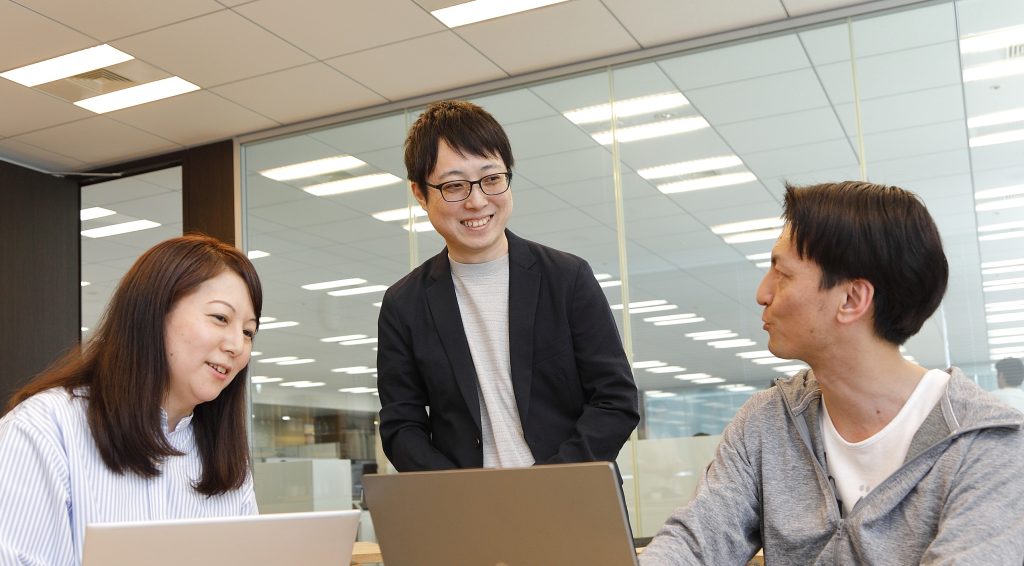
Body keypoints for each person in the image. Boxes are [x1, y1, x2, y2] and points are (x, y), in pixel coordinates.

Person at [641, 182, 1024, 564]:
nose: (762, 293)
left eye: (782, 274)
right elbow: (694, 543)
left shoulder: (989, 444)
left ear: (851, 299)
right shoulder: (768, 422)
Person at [376, 100, 639, 471]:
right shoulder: (404, 304)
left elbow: (615, 400)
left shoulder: (567, 278)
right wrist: (459, 492)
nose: (477, 201)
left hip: (571, 492)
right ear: (420, 193)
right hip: (465, 501)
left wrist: (546, 484)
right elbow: (402, 425)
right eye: (454, 186)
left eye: (491, 179)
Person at [0, 234, 262, 565]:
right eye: (220, 318)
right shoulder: (45, 429)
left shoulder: (225, 459)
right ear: (153, 312)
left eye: (248, 332)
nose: (237, 346)